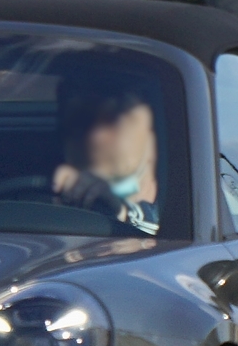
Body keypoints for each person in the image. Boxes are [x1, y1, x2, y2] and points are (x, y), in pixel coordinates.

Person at [52, 82, 161, 233]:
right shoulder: (40, 199)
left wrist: (121, 215)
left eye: (112, 117)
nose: (95, 137)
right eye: (80, 122)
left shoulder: (189, 202)